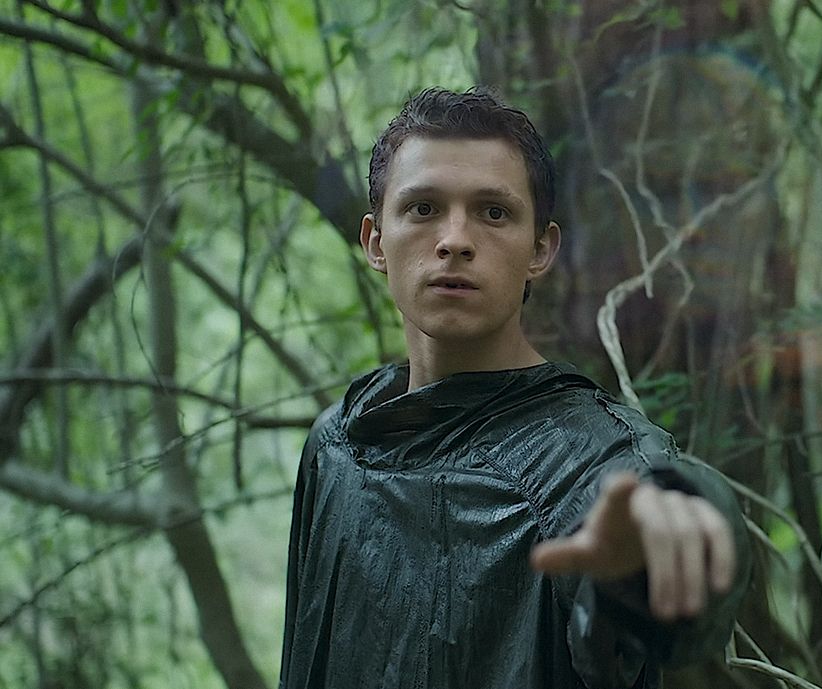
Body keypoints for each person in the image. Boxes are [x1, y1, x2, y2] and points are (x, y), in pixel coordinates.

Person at [279, 87, 750, 689]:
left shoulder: (584, 458)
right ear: (375, 242)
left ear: (540, 249)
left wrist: (677, 527)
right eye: (423, 208)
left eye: (493, 213)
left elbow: (661, 514)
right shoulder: (337, 444)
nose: (455, 240)